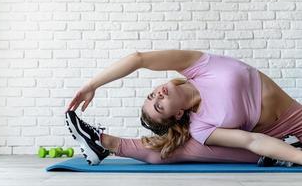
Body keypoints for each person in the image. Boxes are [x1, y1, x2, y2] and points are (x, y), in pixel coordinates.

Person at [65, 50, 302, 165]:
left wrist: (92, 84)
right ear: (177, 114)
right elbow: (252, 141)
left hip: (297, 120)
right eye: (159, 106)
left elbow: (139, 59)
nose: (158, 95)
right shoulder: (200, 127)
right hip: (276, 144)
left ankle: (102, 143)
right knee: (175, 149)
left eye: (152, 95)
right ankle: (103, 142)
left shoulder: (198, 66)